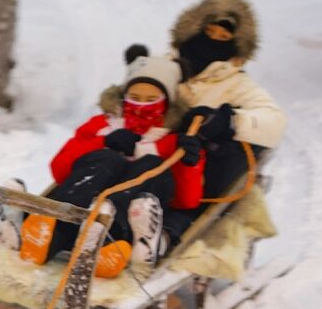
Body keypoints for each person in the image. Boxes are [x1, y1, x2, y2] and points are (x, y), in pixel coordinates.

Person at [12, 45, 205, 277]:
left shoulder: (174, 141)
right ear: (123, 98)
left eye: (151, 99)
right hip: (79, 210)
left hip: (124, 224)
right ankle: (45, 235)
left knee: (151, 166)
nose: (142, 105)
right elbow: (59, 170)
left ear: (166, 103)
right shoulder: (102, 125)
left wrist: (189, 163)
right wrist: (103, 143)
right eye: (134, 98)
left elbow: (187, 202)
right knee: (107, 159)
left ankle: (108, 248)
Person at [155, 0, 286, 247]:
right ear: (192, 30)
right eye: (208, 32)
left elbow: (274, 121)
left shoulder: (236, 83)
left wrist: (229, 121)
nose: (212, 41)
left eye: (223, 38)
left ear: (236, 46)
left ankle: (167, 234)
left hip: (191, 169)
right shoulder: (164, 66)